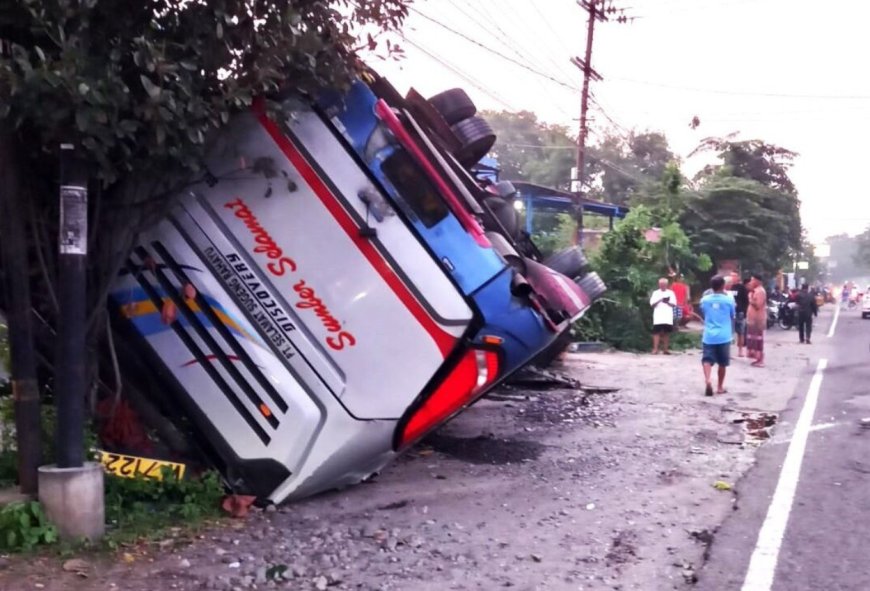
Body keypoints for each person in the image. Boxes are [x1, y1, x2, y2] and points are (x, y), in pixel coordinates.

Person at [700, 275, 735, 396]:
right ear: (723, 286)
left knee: (707, 360)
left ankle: (708, 380)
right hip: (724, 336)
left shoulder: (705, 300)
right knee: (722, 363)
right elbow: (732, 315)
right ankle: (719, 387)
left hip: (709, 335)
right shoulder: (728, 300)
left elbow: (704, 312)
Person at [649, 277, 677, 355]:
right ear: (659, 284)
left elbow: (674, 304)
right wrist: (660, 300)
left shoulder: (671, 293)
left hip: (667, 316)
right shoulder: (655, 293)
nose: (662, 286)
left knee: (666, 333)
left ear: (666, 285)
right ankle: (655, 349)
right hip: (658, 316)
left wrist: (667, 302)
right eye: (661, 284)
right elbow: (652, 304)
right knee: (656, 332)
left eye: (664, 284)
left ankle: (666, 349)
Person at [746, 273, 767, 367]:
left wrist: (750, 298)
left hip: (758, 320)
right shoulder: (755, 291)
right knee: (754, 339)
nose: (751, 282)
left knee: (758, 340)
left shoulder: (760, 291)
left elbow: (758, 305)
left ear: (757, 281)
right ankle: (757, 358)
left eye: (752, 280)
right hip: (753, 320)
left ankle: (760, 360)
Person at [729, 273, 750, 357]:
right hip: (730, 313)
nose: (732, 278)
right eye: (731, 276)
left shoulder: (741, 288)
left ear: (738, 277)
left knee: (740, 332)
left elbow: (746, 301)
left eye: (734, 276)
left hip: (739, 312)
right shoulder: (728, 287)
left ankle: (740, 350)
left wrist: (744, 311)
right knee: (729, 332)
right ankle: (728, 351)